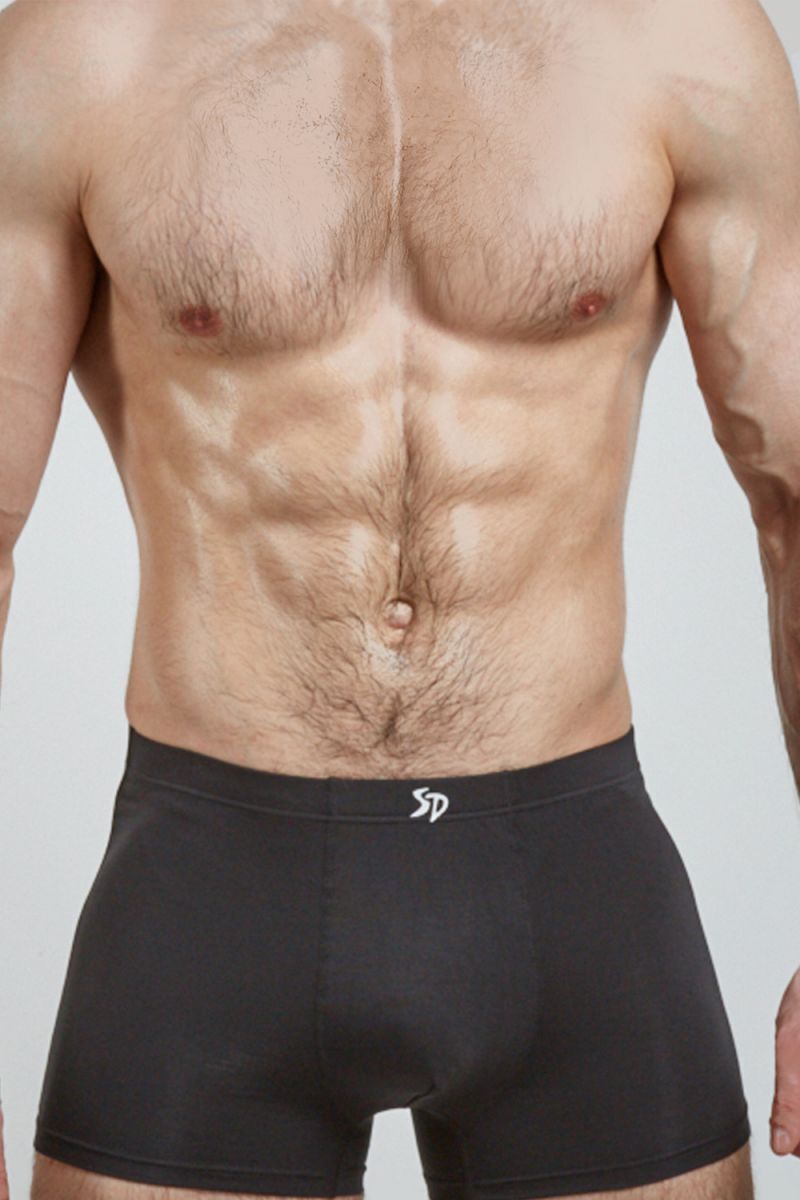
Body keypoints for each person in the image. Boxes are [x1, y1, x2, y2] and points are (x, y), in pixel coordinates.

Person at [2, 0, 799, 1197]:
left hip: (569, 881)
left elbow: (793, 490)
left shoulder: (671, 34)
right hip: (212, 894)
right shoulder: (88, 44)